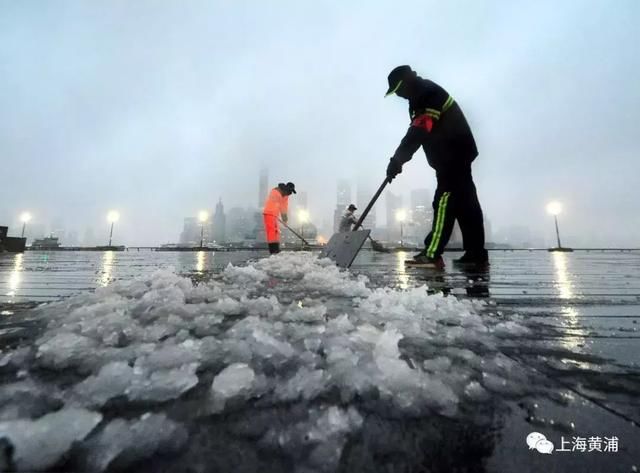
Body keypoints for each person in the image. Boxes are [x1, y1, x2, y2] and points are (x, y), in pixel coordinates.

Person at [384, 65, 488, 269]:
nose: (398, 95)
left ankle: (432, 254)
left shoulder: (425, 93)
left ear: (405, 83)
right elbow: (418, 129)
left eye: (398, 90)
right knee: (467, 206)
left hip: (453, 156)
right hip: (455, 155)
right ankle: (476, 253)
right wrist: (399, 160)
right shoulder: (418, 95)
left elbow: (420, 129)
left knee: (443, 202)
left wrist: (397, 160)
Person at [262, 182, 296, 254]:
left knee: (276, 232)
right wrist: (281, 198)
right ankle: (273, 250)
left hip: (274, 214)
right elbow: (277, 203)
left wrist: (285, 218)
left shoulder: (285, 196)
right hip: (269, 213)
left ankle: (276, 249)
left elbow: (284, 207)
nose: (290, 193)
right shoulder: (275, 191)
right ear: (287, 189)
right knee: (271, 232)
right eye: (290, 191)